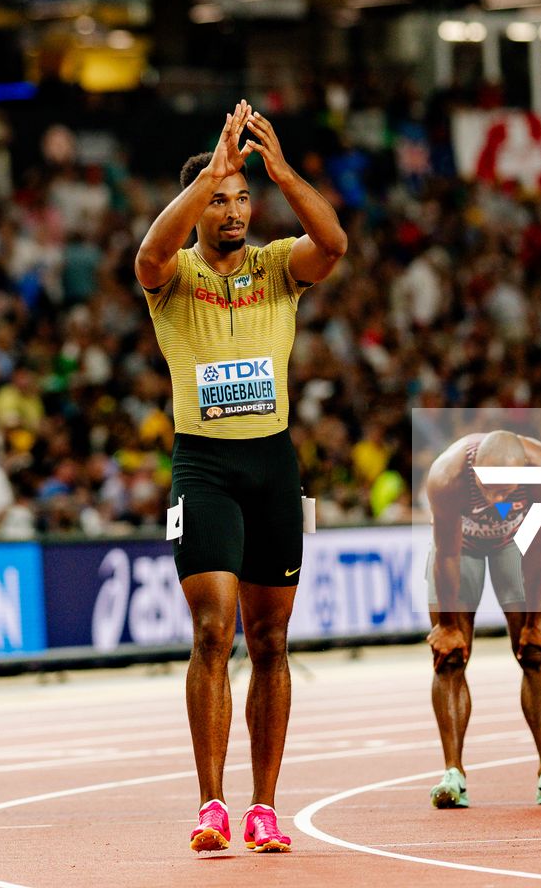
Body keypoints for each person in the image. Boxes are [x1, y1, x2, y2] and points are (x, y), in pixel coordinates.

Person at [134, 100, 346, 855]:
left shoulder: (275, 266)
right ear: (197, 208)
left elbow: (335, 240)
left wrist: (279, 169)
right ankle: (210, 803)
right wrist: (208, 173)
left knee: (273, 639)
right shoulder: (174, 278)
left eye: (240, 197)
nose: (234, 210)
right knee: (212, 629)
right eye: (220, 199)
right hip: (206, 467)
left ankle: (263, 806)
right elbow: (149, 252)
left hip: (272, 465)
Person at [422, 429, 541, 810]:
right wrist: (446, 624)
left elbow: (538, 545)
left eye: (504, 491)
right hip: (461, 549)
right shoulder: (448, 476)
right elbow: (446, 555)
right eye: (487, 489)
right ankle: (453, 774)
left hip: (515, 542)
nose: (494, 498)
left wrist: (536, 619)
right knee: (451, 655)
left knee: (536, 651)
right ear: (475, 470)